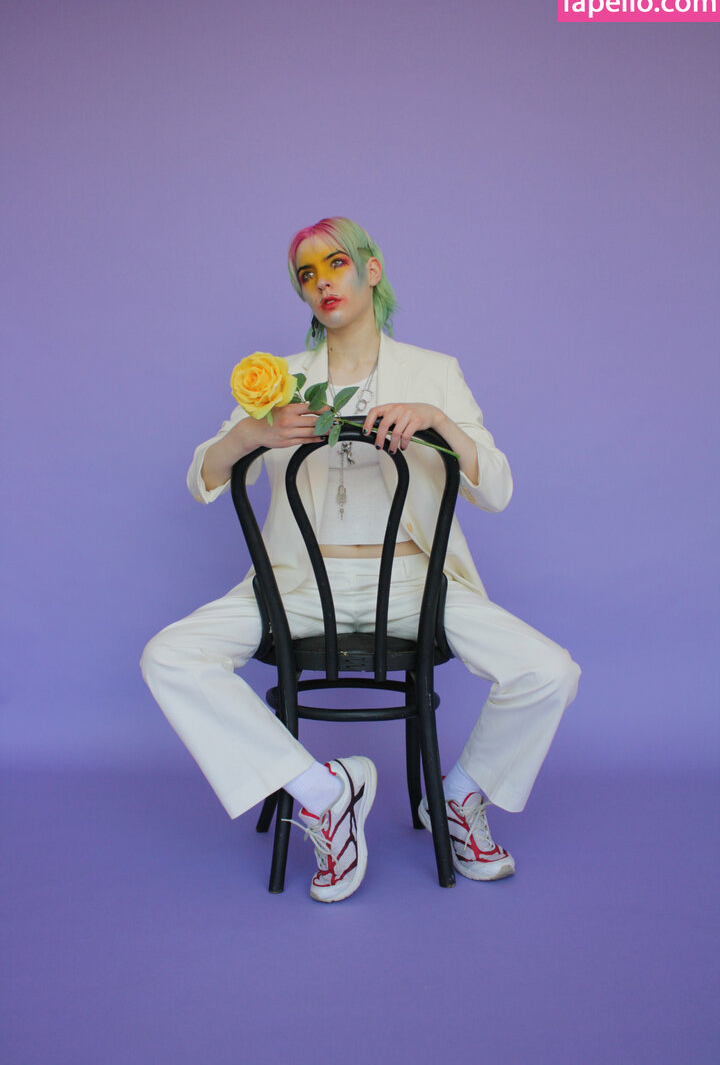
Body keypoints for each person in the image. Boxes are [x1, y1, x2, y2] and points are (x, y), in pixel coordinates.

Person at [141, 216, 581, 903]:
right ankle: (325, 794)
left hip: (414, 584)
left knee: (549, 671)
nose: (322, 282)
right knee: (168, 656)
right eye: (306, 274)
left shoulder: (434, 372)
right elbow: (203, 478)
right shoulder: (280, 378)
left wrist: (439, 422)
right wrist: (253, 432)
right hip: (295, 585)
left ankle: (458, 796)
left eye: (336, 263)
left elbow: (495, 489)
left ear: (372, 271)